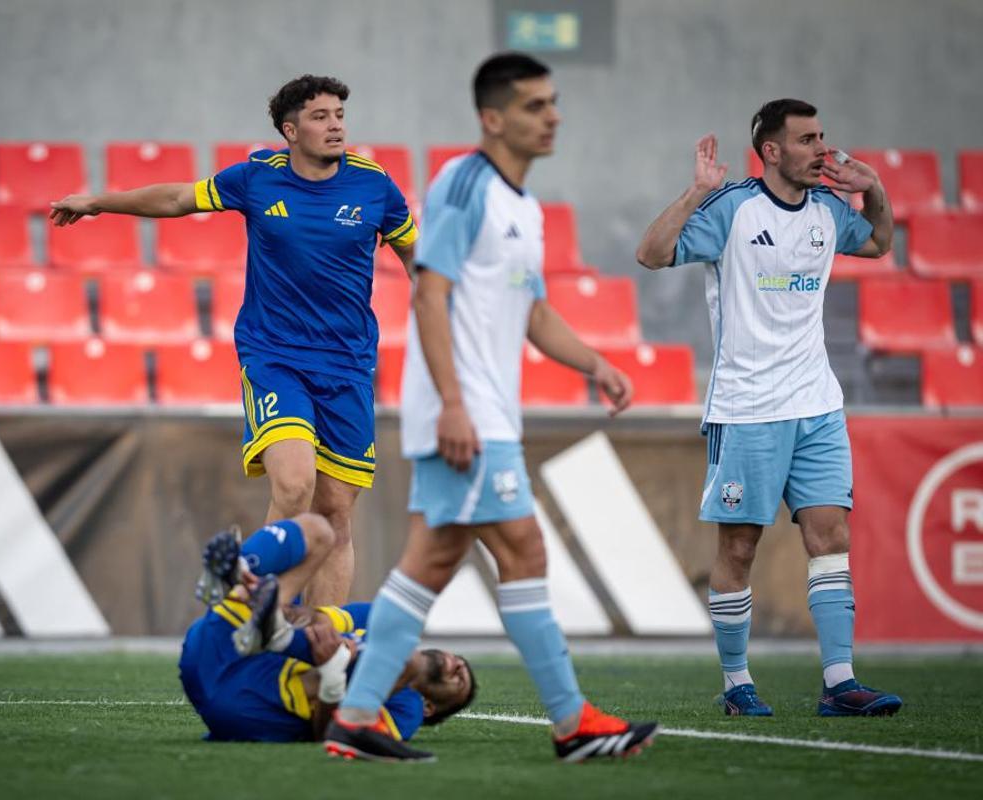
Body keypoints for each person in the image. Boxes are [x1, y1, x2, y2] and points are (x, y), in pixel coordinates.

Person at [322, 53, 658, 764]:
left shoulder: (525, 208)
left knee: (433, 561)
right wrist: (451, 404)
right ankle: (572, 723)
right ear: (493, 117)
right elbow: (428, 291)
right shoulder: (462, 184)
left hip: (486, 413)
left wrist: (596, 363)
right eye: (536, 105)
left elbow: (532, 311)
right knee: (518, 550)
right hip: (466, 413)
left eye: (554, 102)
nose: (553, 116)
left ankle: (355, 717)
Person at [50, 76, 418, 606]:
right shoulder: (256, 179)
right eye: (320, 116)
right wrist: (99, 202)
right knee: (294, 486)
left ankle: (325, 654)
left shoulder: (375, 186)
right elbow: (178, 198)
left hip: (349, 366)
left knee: (336, 516)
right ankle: (248, 597)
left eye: (339, 114)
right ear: (290, 131)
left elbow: (415, 258)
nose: (336, 124)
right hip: (276, 357)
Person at [634, 98, 903, 718]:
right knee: (739, 549)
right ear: (772, 151)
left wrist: (877, 189)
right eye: (807, 140)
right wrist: (694, 191)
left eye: (822, 137)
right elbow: (650, 253)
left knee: (830, 536)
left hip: (818, 404)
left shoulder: (831, 211)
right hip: (748, 406)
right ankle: (736, 685)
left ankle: (840, 683)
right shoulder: (731, 208)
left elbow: (881, 244)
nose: (821, 150)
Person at [180, 513, 475, 744]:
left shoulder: (406, 712)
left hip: (243, 704)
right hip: (220, 645)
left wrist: (332, 676)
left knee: (367, 658)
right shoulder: (380, 620)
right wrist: (285, 608)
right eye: (462, 663)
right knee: (319, 531)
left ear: (429, 708)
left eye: (459, 682)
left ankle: (273, 626)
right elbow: (314, 617)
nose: (459, 666)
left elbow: (332, 733)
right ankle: (235, 573)